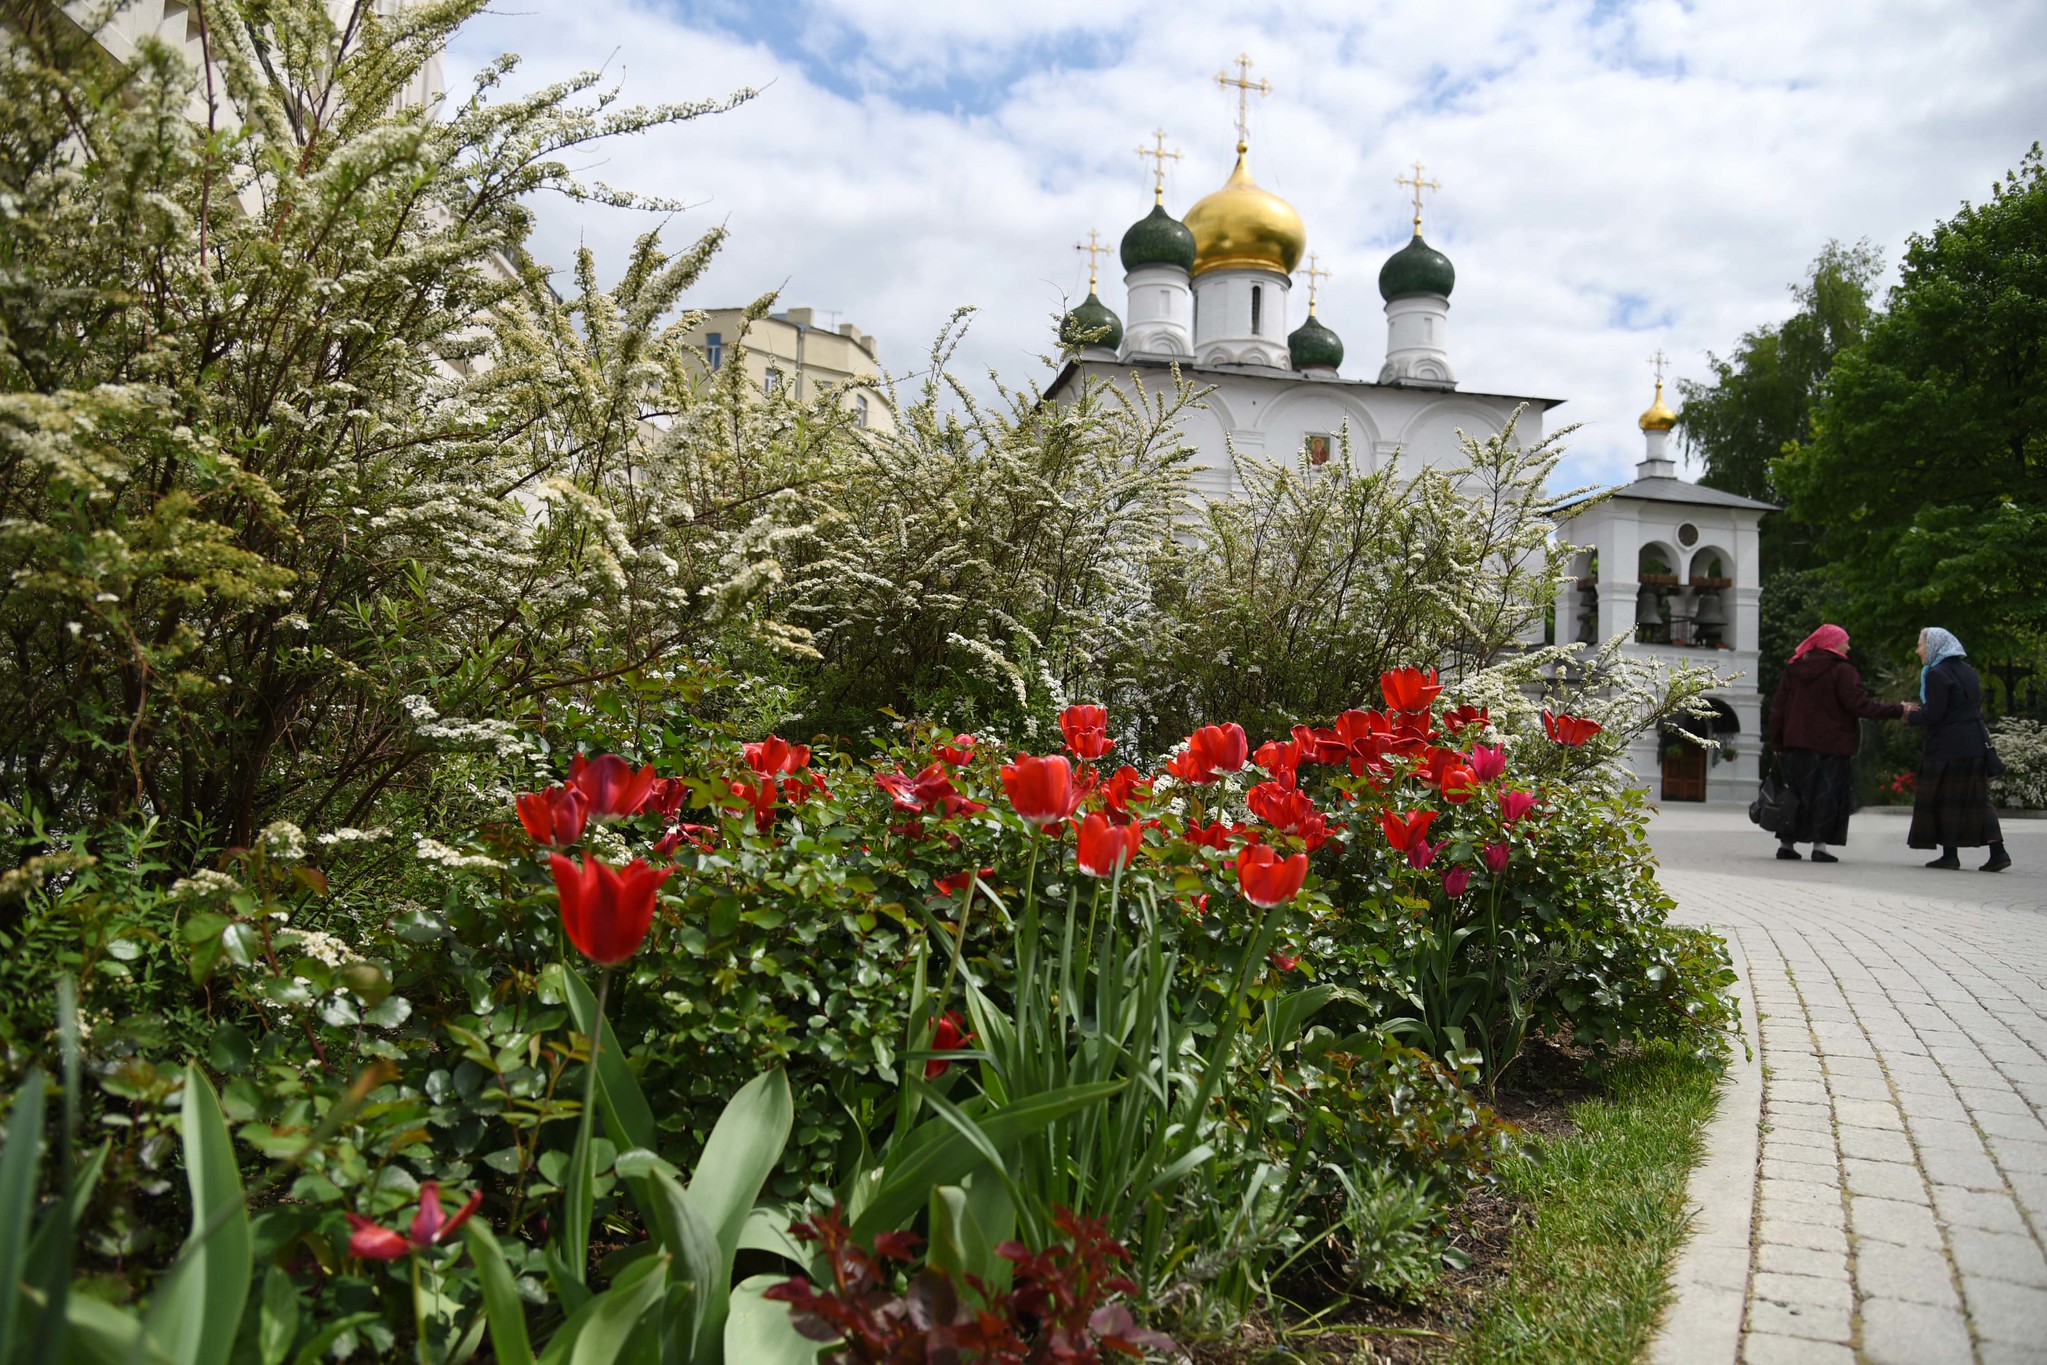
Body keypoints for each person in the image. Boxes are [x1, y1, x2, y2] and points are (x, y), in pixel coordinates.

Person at [1767, 624, 1907, 862]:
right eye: (1845, 641)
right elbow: (1858, 705)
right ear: (1831, 643)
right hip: (1832, 745)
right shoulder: (1842, 670)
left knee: (1795, 794)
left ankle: (1786, 844)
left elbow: (1778, 708)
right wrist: (1898, 710)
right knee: (1826, 795)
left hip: (1797, 744)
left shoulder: (1795, 669)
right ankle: (1819, 847)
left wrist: (1777, 742)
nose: (1848, 646)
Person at [1907, 627, 2011, 872]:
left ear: (1934, 646)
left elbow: (1935, 714)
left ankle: (1950, 855)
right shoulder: (1967, 671)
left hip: (1948, 747)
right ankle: (1998, 851)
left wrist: (1910, 716)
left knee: (1942, 797)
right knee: (1978, 798)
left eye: (1921, 644)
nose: (1918, 650)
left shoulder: (1936, 674)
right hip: (1974, 744)